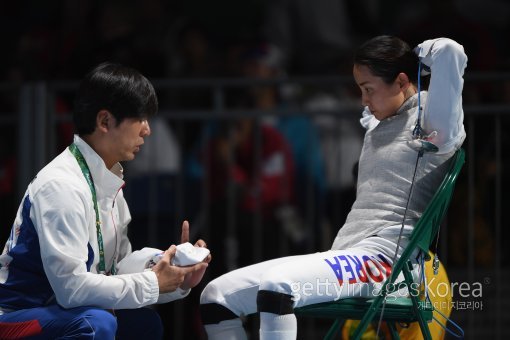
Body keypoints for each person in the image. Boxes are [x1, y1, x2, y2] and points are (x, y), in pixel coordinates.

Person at [199, 36, 467, 339]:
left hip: (391, 264)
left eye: (368, 89)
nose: (363, 100)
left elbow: (450, 52)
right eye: (360, 90)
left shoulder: (433, 123)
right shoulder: (379, 122)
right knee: (216, 297)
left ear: (402, 81)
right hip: (348, 255)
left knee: (278, 286)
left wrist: (418, 55)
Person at [0, 62, 211, 339]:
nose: (147, 130)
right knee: (95, 323)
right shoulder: (61, 186)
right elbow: (71, 289)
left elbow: (115, 270)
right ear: (104, 121)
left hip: (59, 310)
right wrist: (152, 282)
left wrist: (169, 268)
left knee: (143, 323)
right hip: (16, 314)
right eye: (140, 119)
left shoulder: (108, 180)